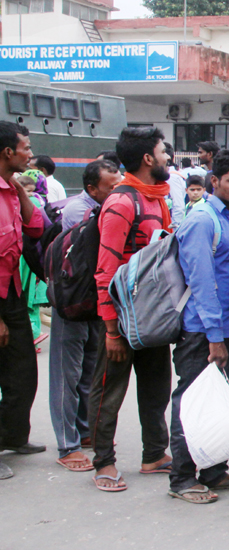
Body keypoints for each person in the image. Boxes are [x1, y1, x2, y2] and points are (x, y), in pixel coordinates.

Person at [90, 126, 176, 492]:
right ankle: (103, 463)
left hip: (151, 314)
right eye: (162, 151)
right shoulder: (122, 202)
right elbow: (104, 269)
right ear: (147, 159)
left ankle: (154, 453)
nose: (167, 158)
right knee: (109, 391)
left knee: (156, 386)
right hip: (121, 319)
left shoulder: (156, 199)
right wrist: (111, 330)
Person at [168, 150, 229, 504]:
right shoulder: (203, 220)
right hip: (201, 332)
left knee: (221, 401)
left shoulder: (226, 218)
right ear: (214, 181)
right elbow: (203, 283)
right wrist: (216, 339)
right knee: (193, 402)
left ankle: (214, 471)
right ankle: (182, 478)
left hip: (225, 328)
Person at [47, 160, 119, 473]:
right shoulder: (81, 211)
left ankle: (85, 430)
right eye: (112, 187)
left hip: (93, 302)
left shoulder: (110, 208)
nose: (118, 191)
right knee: (67, 374)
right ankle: (67, 444)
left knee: (89, 368)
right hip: (73, 300)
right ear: (92, 189)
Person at [0, 122, 43, 480]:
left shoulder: (11, 190)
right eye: (25, 148)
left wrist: (19, 191)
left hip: (12, 291)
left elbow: (36, 228)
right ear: (8, 152)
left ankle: (12, 436)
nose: (30, 154)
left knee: (23, 373)